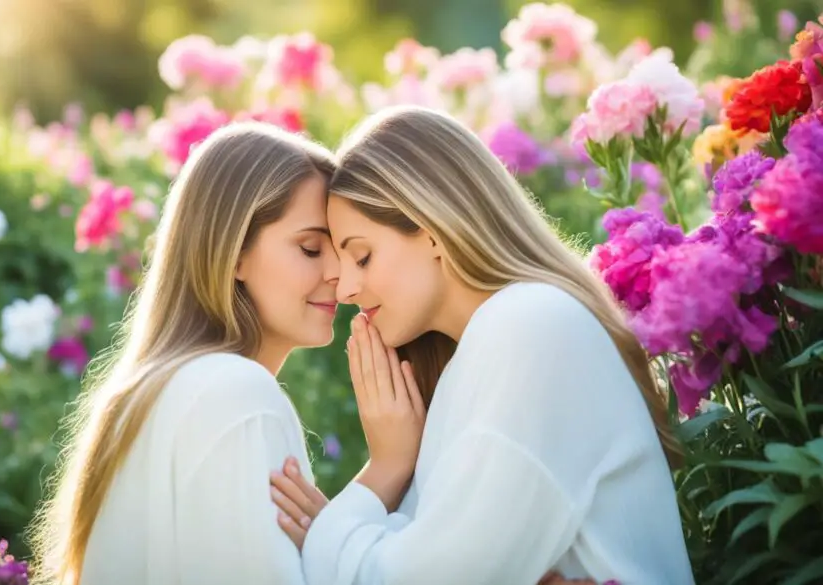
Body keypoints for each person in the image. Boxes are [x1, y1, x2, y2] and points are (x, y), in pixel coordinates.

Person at [271, 105, 695, 585]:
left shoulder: (531, 327)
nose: (345, 288)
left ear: (432, 230)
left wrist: (332, 537)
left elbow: (432, 574)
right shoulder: (476, 353)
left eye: (362, 256)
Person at [27, 122, 340, 585]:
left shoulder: (147, 394)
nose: (338, 271)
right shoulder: (236, 393)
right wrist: (357, 518)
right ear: (233, 252)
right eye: (311, 247)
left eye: (344, 248)